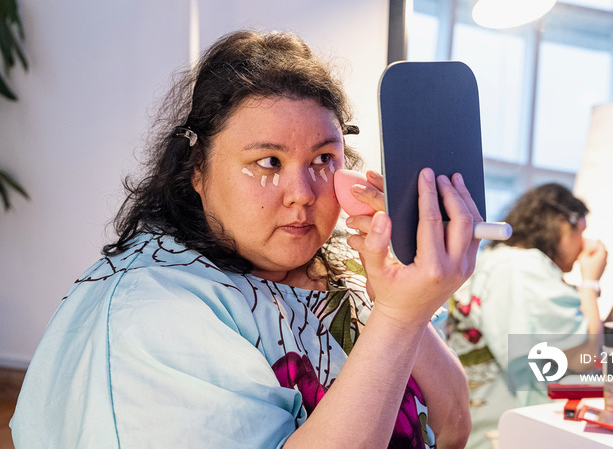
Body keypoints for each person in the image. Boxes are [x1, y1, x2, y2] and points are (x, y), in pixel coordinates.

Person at [11, 30, 483, 448]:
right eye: (268, 163)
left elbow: (454, 426)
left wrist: (397, 303)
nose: (302, 195)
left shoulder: (349, 267)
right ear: (197, 171)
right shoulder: (155, 305)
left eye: (323, 158)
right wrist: (398, 320)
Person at [446, 183, 613, 449]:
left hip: (483, 426)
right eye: (581, 231)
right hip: (504, 435)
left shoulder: (500, 261)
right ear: (561, 223)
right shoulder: (523, 268)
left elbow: (590, 343)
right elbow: (589, 355)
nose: (585, 244)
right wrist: (589, 282)